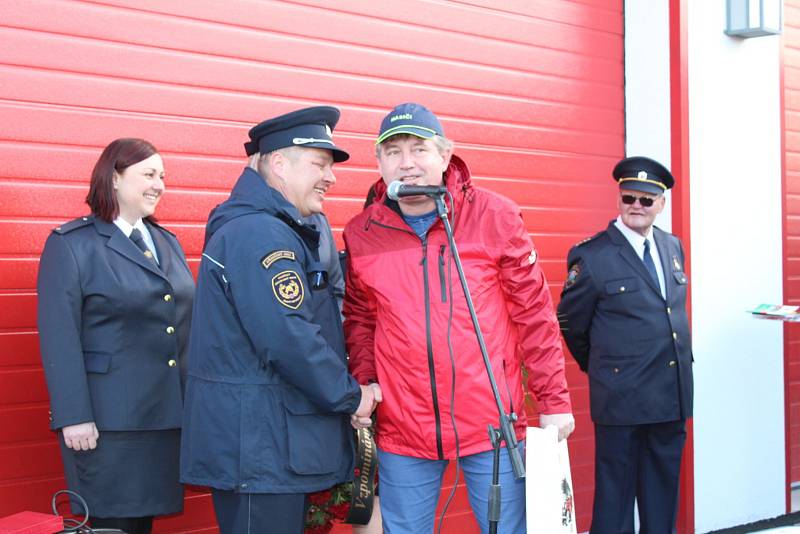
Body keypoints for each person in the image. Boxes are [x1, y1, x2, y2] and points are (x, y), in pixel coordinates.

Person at [343, 102, 575, 533]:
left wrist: (554, 402)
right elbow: (360, 319)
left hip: (492, 424)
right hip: (403, 427)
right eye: (393, 151)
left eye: (419, 149)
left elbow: (535, 316)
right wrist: (365, 378)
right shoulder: (362, 232)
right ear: (378, 161)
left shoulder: (495, 216)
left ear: (446, 155)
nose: (407, 163)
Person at [180, 106, 381, 534]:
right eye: (319, 165)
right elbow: (287, 336)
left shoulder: (276, 227)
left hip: (269, 444)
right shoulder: (260, 233)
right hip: (262, 448)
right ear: (277, 163)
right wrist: (351, 396)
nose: (331, 177)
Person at [37, 138, 195, 534]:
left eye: (163, 176)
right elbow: (60, 336)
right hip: (106, 426)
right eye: (149, 174)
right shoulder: (72, 244)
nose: (160, 184)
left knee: (141, 525)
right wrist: (74, 416)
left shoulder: (167, 242)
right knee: (111, 525)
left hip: (163, 418)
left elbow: (185, 326)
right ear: (114, 178)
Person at [556, 156, 693, 534]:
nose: (637, 206)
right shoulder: (593, 255)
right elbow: (570, 323)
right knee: (615, 500)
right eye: (629, 197)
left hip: (671, 396)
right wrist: (604, 368)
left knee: (662, 497)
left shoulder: (672, 247)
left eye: (647, 200)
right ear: (619, 198)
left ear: (660, 204)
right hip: (621, 399)